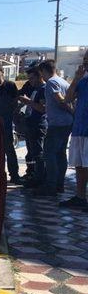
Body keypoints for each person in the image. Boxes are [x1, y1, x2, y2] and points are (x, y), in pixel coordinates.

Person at [34, 60, 74, 196]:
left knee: (49, 153)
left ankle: (51, 186)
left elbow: (61, 101)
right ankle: (59, 184)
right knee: (60, 154)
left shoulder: (51, 82)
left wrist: (71, 111)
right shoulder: (63, 82)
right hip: (66, 123)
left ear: (43, 71)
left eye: (41, 73)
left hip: (57, 124)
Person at [60, 50, 88, 210]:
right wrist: (76, 79)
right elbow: (68, 99)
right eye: (85, 59)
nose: (85, 62)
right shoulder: (82, 82)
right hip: (79, 129)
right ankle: (80, 197)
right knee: (79, 164)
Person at [18, 66, 47, 187]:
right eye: (29, 78)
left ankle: (39, 179)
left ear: (39, 76)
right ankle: (31, 174)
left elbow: (43, 109)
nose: (30, 81)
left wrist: (28, 101)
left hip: (38, 125)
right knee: (31, 153)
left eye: (32, 78)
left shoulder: (43, 89)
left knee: (38, 154)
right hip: (30, 125)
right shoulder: (35, 89)